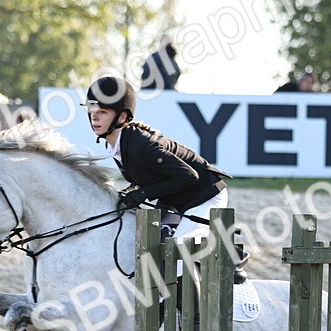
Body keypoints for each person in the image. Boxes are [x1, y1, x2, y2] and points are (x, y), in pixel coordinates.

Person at [83, 76, 247, 282]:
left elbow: (190, 176)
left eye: (102, 112)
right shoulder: (115, 145)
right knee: (152, 244)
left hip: (204, 195)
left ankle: (196, 311)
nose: (94, 118)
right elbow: (148, 178)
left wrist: (142, 193)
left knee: (176, 255)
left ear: (122, 117)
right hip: (176, 199)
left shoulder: (140, 144)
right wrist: (130, 192)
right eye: (92, 112)